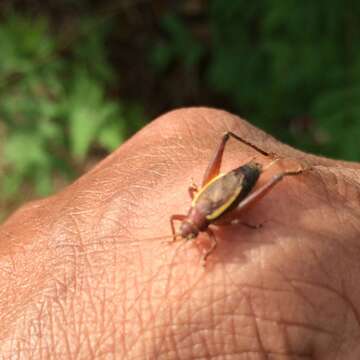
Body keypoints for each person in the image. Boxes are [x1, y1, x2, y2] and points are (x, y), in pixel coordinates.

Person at [0, 108, 359, 358]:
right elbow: (183, 220)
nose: (188, 232)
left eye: (189, 231)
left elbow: (228, 226)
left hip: (231, 195)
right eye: (188, 230)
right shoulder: (189, 216)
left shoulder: (216, 226)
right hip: (215, 193)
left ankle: (283, 172)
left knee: (264, 181)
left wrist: (225, 238)